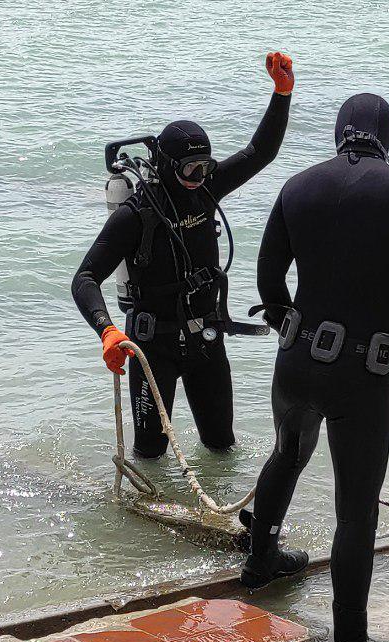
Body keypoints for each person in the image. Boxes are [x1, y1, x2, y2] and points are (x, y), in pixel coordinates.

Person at [242, 92, 389, 642]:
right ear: (387, 136)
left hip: (295, 362)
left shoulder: (297, 186)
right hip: (360, 375)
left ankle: (261, 562)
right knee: (356, 510)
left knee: (287, 454)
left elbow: (268, 276)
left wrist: (286, 317)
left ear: (339, 131)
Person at [72, 53, 295, 456]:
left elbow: (260, 152)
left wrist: (281, 93)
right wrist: (107, 330)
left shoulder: (207, 190)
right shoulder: (134, 216)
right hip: (152, 348)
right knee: (151, 456)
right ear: (167, 165)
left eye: (206, 167)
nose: (201, 178)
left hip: (206, 342)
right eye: (191, 169)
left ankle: (217, 514)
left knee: (222, 448)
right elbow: (84, 279)